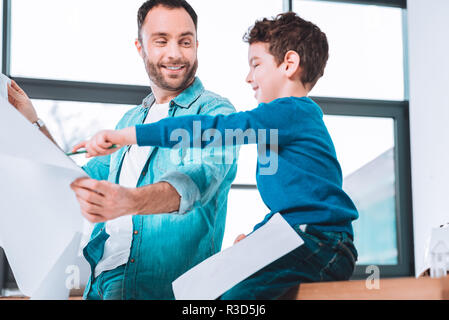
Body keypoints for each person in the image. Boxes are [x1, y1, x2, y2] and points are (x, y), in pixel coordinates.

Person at [72, 12, 360, 300]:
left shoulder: (291, 111)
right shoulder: (276, 128)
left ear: (289, 64)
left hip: (322, 242)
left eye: (256, 65)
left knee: (234, 296)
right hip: (297, 235)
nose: (249, 77)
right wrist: (258, 237)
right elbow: (291, 205)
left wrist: (130, 136)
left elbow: (212, 130)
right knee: (199, 289)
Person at [8, 0, 238, 300]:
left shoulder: (215, 112)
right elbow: (78, 180)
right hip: (102, 279)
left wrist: (128, 201)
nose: (175, 53)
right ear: (140, 48)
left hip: (160, 288)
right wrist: (34, 123)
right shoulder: (130, 121)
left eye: (185, 41)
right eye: (161, 41)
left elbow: (199, 181)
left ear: (196, 45)